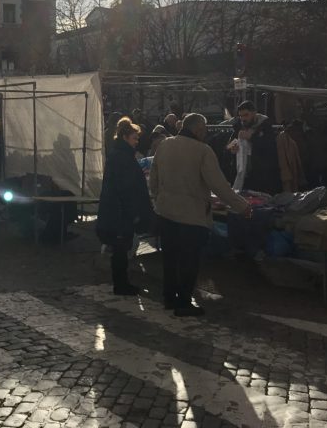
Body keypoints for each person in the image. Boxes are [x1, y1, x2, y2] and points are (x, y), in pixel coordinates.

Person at [150, 113, 250, 317]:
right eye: (204, 129)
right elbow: (219, 185)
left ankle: (169, 297)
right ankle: (184, 303)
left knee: (170, 258)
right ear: (197, 129)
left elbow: (154, 176)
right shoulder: (203, 151)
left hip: (166, 212)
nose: (206, 133)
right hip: (191, 216)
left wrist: (157, 198)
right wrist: (242, 206)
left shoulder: (165, 145)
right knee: (188, 261)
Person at [97, 117, 153, 295]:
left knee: (120, 249)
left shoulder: (117, 155)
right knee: (121, 248)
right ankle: (121, 284)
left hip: (116, 210)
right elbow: (127, 189)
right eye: (134, 138)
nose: (137, 142)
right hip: (120, 212)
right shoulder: (123, 158)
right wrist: (134, 211)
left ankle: (121, 282)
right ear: (125, 137)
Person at [227, 102, 280, 193]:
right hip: (242, 176)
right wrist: (232, 148)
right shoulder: (239, 127)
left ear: (254, 113)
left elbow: (270, 146)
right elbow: (229, 145)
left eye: (246, 115)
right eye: (241, 116)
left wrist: (252, 138)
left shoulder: (265, 126)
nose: (243, 118)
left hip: (261, 176)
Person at [276, 121, 306, 193]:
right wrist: (286, 175)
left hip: (294, 171)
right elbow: (283, 159)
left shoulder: (290, 139)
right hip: (288, 174)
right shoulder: (283, 138)